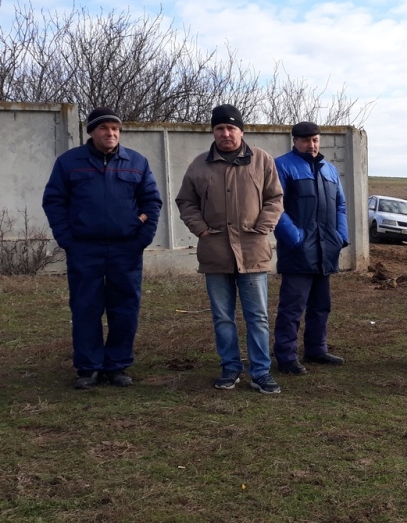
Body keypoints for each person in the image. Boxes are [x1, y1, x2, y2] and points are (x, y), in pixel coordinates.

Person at [42, 107, 162, 389]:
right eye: (104, 128)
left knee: (125, 308)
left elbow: (152, 202)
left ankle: (117, 366)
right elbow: (54, 202)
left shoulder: (136, 162)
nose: (111, 133)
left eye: (115, 129)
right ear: (92, 132)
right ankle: (89, 367)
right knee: (86, 307)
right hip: (84, 249)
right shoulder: (70, 163)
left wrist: (141, 239)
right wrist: (67, 240)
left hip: (126, 250)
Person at [175, 104, 284, 394]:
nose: (226, 133)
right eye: (220, 128)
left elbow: (275, 197)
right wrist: (200, 228)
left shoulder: (262, 161)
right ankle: (230, 368)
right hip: (216, 253)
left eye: (231, 128)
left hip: (252, 252)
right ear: (213, 132)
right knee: (222, 317)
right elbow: (186, 202)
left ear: (241, 131)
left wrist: (265, 224)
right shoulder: (199, 165)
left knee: (257, 317)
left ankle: (261, 372)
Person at [272, 122, 349, 375]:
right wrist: (294, 239)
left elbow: (340, 205)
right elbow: (275, 207)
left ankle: (316, 349)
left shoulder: (330, 169)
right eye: (306, 140)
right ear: (295, 141)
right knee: (293, 307)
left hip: (326, 249)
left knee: (321, 305)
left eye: (315, 140)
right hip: (298, 250)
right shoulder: (282, 166)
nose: (311, 145)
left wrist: (340, 237)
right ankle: (286, 356)